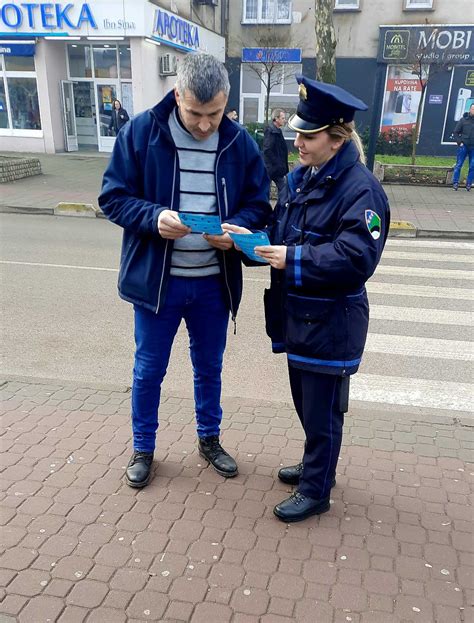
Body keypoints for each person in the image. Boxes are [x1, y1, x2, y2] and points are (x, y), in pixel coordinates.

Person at [99, 54, 271, 488]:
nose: (205, 124)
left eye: (214, 113)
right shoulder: (141, 133)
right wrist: (153, 218)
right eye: (195, 112)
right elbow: (113, 197)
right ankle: (143, 448)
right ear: (177, 95)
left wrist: (236, 233)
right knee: (148, 370)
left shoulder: (239, 143)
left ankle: (209, 440)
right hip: (158, 284)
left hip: (214, 284)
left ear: (225, 102)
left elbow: (259, 205)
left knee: (209, 368)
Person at [223, 76, 390, 523]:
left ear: (337, 140)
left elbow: (357, 258)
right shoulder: (301, 179)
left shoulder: (361, 190)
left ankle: (317, 487)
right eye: (297, 131)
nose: (297, 140)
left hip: (332, 323)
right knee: (307, 404)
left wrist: (290, 257)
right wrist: (248, 242)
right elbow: (281, 238)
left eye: (308, 135)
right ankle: (318, 462)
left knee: (323, 412)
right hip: (300, 317)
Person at [263, 108, 289, 195]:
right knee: (267, 190)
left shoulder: (277, 131)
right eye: (282, 118)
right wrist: (277, 163)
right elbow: (267, 149)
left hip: (276, 168)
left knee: (283, 189)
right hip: (272, 168)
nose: (284, 120)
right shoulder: (271, 132)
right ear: (276, 119)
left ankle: (282, 206)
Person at [452, 103, 474, 191]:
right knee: (459, 164)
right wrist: (459, 142)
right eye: (473, 109)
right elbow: (456, 132)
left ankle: (469, 184)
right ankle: (455, 183)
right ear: (470, 110)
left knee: (472, 166)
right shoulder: (463, 120)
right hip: (464, 145)